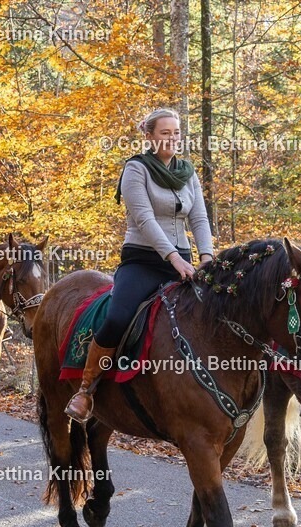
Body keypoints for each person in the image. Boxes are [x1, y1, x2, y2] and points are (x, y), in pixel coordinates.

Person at [65, 108, 214, 423]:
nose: (172, 138)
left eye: (176, 132)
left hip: (184, 263)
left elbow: (199, 218)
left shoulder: (188, 172)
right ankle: (86, 389)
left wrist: (207, 258)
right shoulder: (136, 169)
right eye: (165, 133)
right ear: (149, 136)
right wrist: (173, 257)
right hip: (143, 261)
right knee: (118, 318)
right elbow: (144, 219)